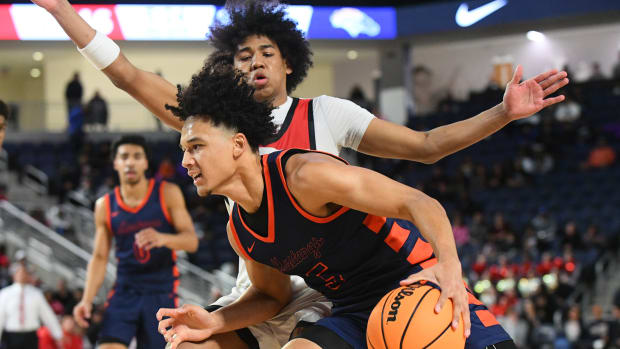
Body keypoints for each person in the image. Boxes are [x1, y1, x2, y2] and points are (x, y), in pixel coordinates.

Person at [31, 0, 569, 347]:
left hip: (346, 281)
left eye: (267, 52)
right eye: (242, 56)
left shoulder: (323, 121)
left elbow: (426, 148)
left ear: (289, 62)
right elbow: (127, 75)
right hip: (272, 279)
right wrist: (63, 13)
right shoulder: (211, 123)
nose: (255, 62)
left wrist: (502, 113)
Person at [156, 64, 515, 349]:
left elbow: (418, 202)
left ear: (237, 145)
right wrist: (214, 320)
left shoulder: (304, 176)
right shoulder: (241, 232)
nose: (185, 161)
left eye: (195, 147)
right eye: (184, 150)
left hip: (412, 282)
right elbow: (270, 296)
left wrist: (449, 268)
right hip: (353, 310)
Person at [72, 135, 199, 349]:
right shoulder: (104, 205)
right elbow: (100, 257)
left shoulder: (167, 193)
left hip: (160, 291)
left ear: (146, 162)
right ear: (115, 163)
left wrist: (163, 238)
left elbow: (191, 241)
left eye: (137, 156)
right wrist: (86, 300)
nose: (130, 162)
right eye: (124, 157)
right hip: (125, 290)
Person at [0, 264, 63, 349]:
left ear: (28, 276)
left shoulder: (36, 294)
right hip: (11, 336)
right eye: (19, 273)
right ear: (14, 275)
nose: (22, 275)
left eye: (24, 273)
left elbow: (47, 315)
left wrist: (58, 335)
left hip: (30, 336)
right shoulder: (5, 294)